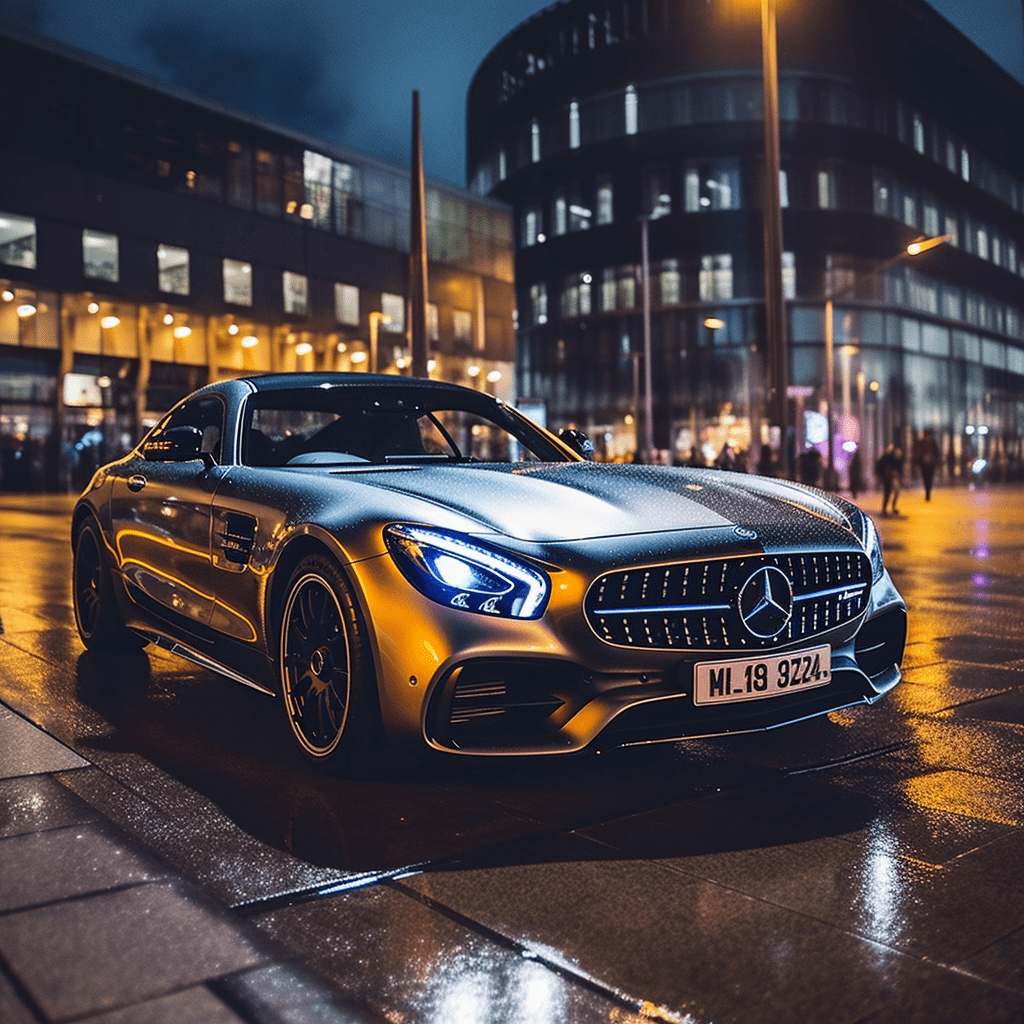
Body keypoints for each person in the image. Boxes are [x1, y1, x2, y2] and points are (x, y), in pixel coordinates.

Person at [912, 428, 940, 501]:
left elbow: (937, 453)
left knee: (930, 479)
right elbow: (917, 453)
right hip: (923, 464)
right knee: (925, 478)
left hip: (931, 464)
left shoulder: (933, 442)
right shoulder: (920, 442)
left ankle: (928, 493)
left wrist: (933, 459)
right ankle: (927, 492)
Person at [875, 444, 903, 515]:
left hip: (893, 477)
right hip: (887, 478)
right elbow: (880, 467)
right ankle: (884, 509)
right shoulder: (886, 457)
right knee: (887, 492)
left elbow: (898, 467)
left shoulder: (894, 458)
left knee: (895, 492)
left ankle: (892, 507)